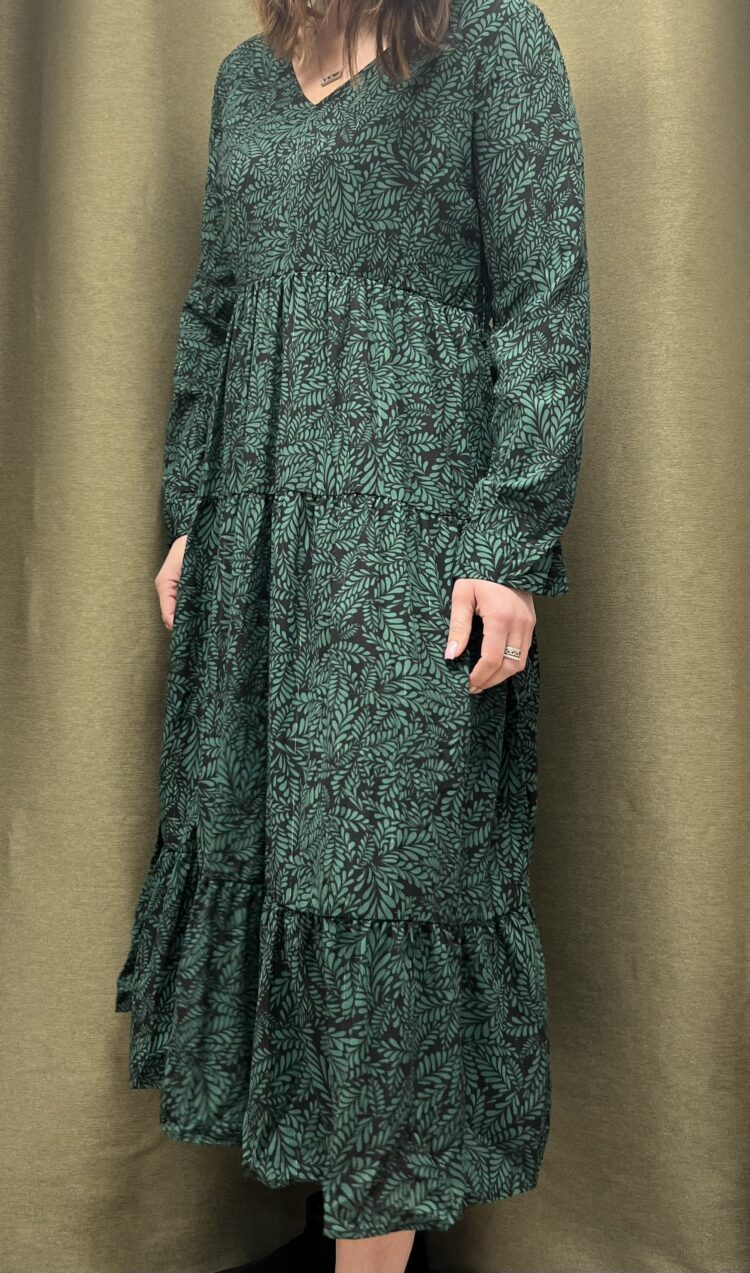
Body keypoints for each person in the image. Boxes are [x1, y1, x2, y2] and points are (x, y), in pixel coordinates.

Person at [115, 0, 591, 1269]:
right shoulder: (244, 82)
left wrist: (510, 541)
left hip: (415, 547)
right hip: (256, 548)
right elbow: (213, 316)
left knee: (387, 882)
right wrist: (191, 513)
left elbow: (543, 303)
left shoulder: (496, 45)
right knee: (282, 865)